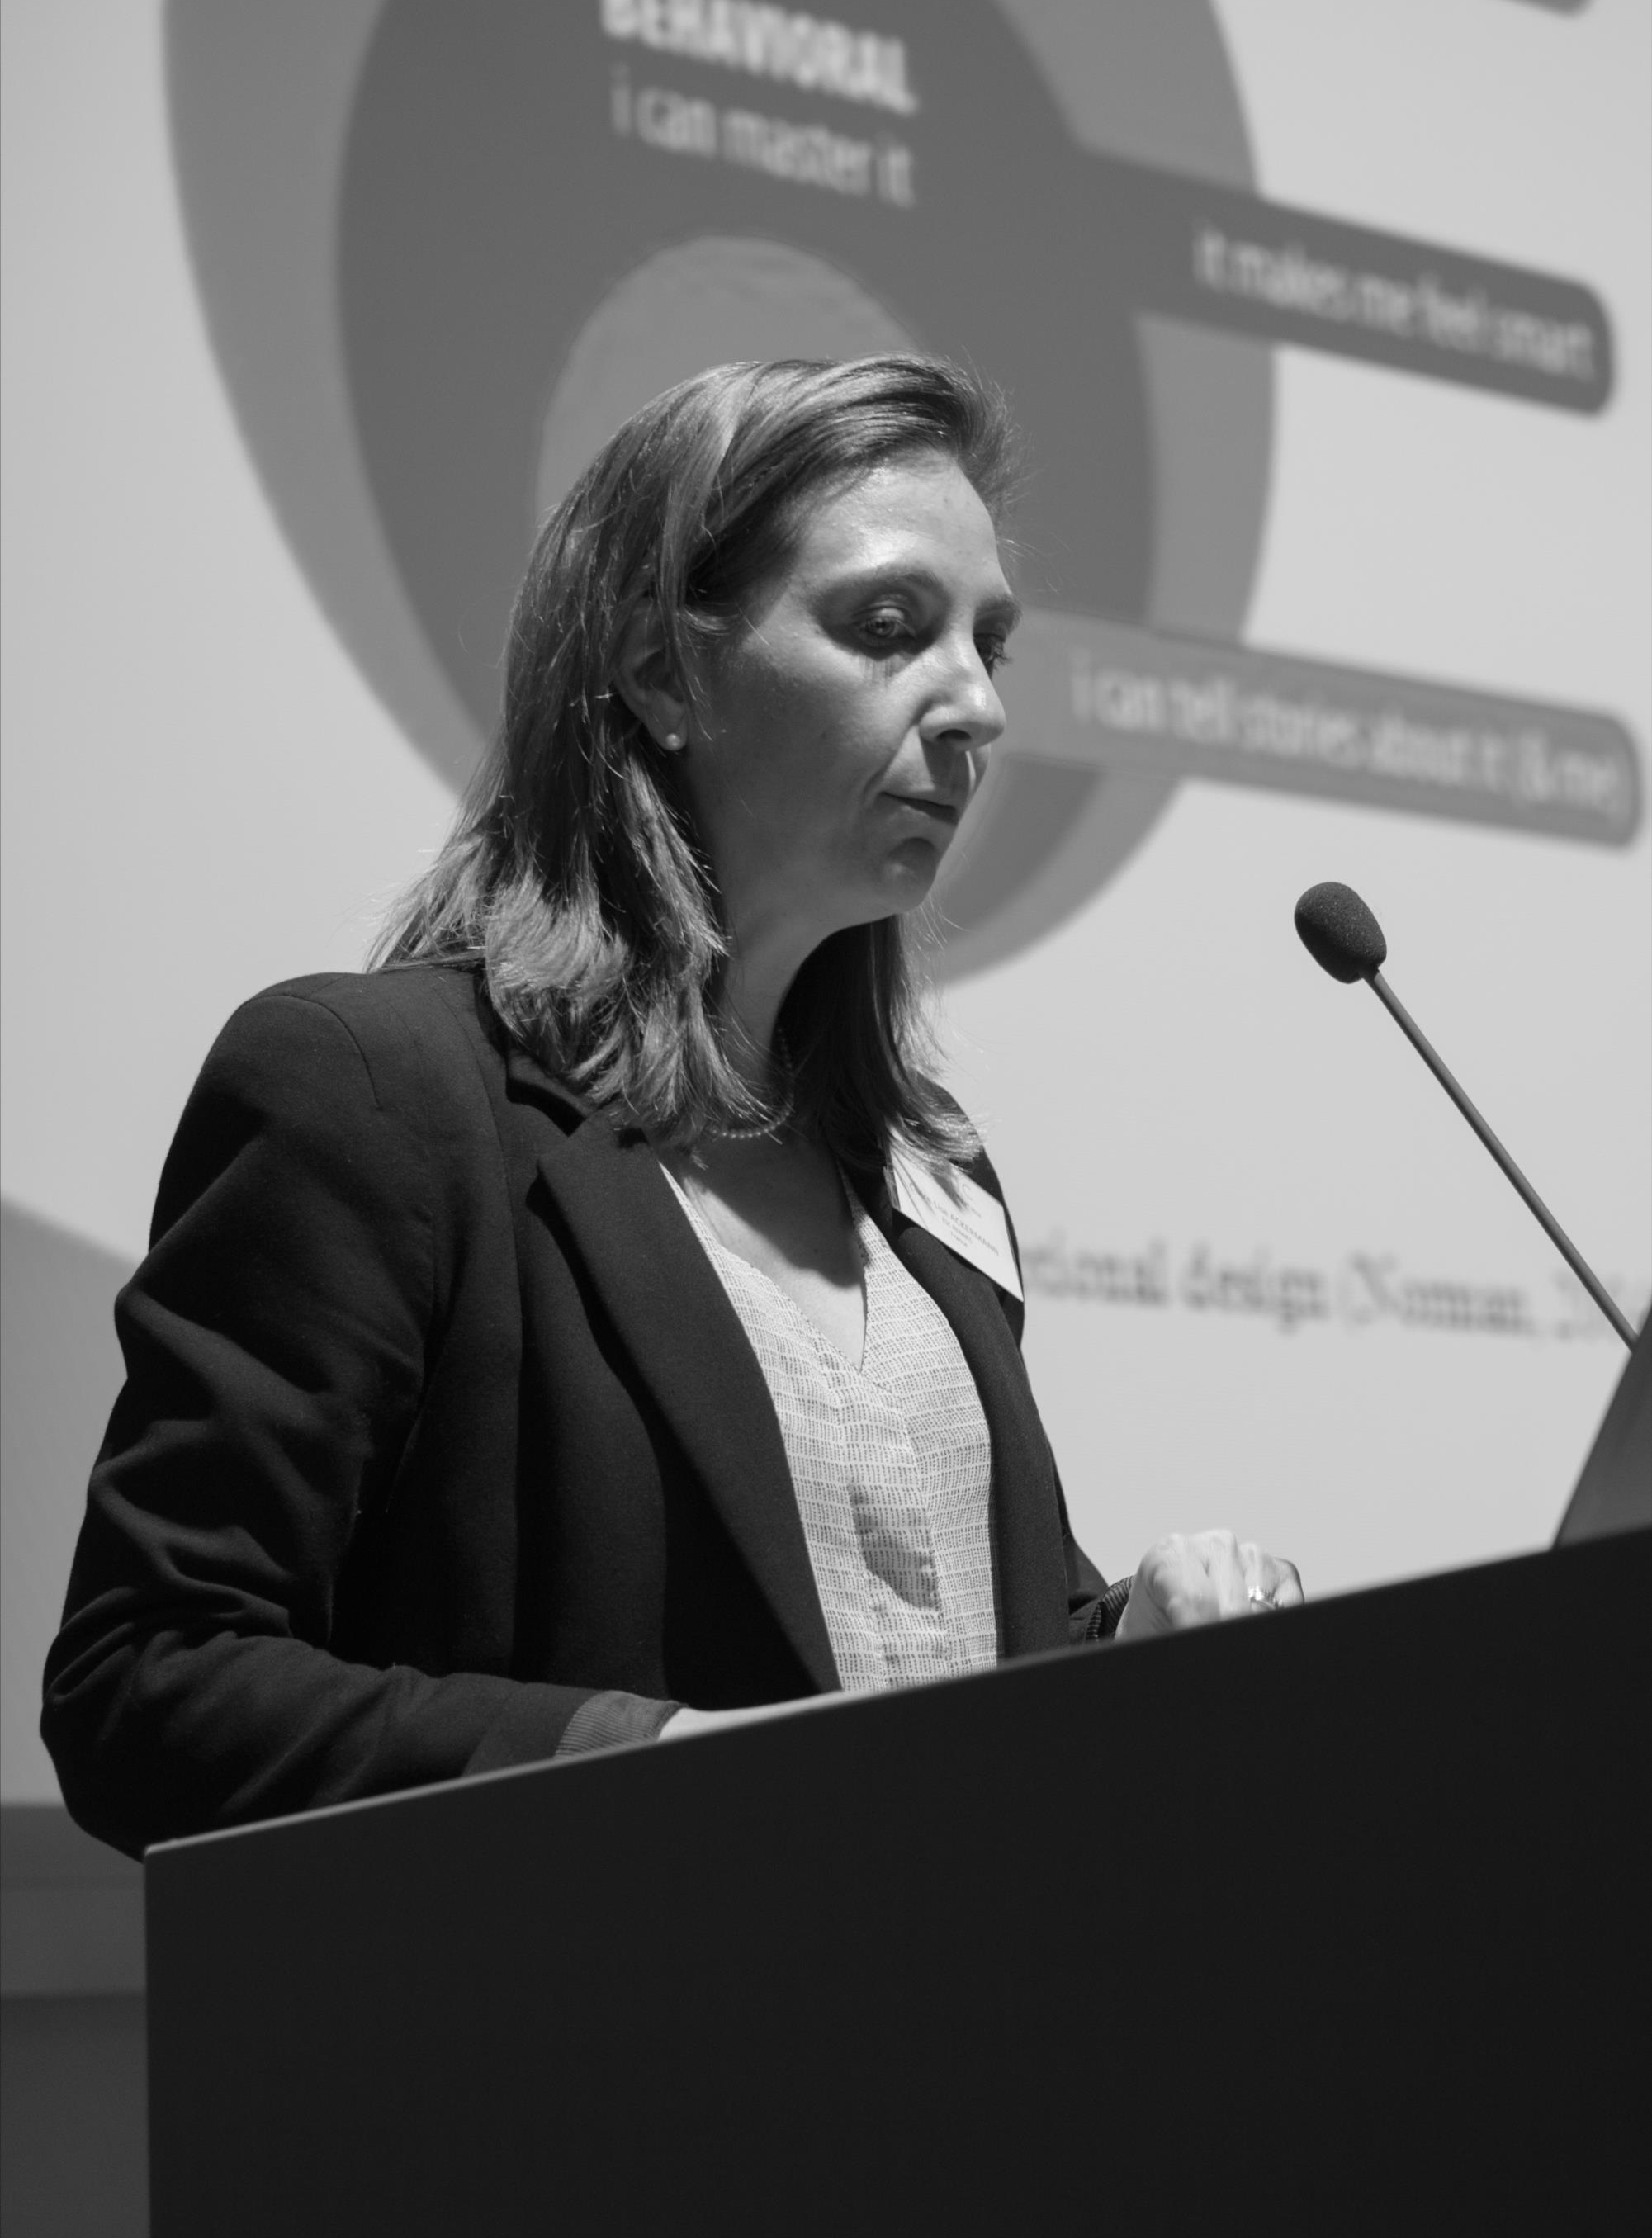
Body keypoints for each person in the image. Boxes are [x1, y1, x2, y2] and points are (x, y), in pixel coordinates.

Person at [42, 357, 1301, 1859]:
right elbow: (149, 1681)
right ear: (658, 670)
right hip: (595, 1996)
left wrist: (1123, 1640)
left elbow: (929, 1662)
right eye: (888, 627)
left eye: (989, 643)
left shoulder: (928, 1171)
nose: (976, 705)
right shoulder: (373, 1090)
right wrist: (643, 1769)